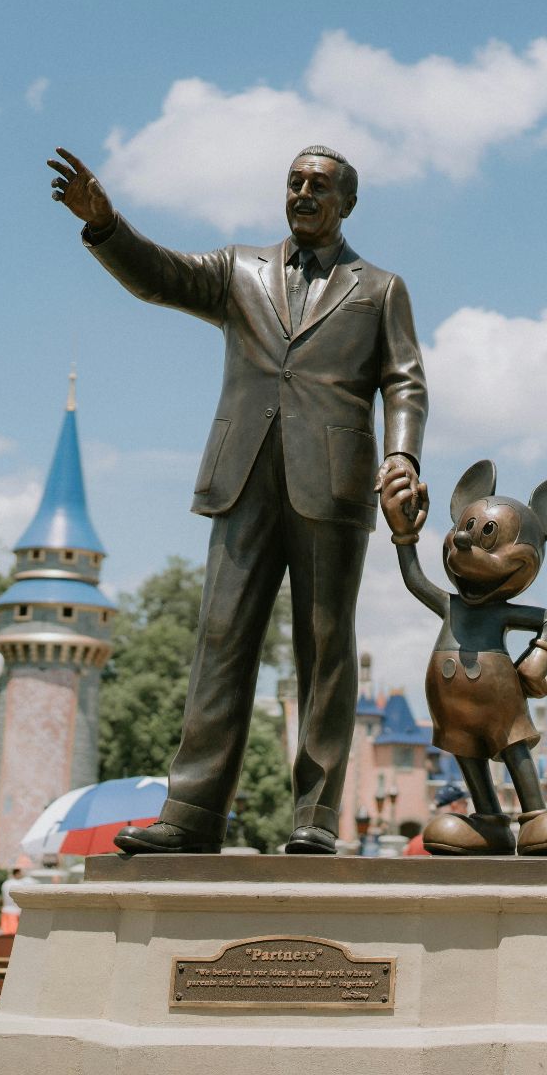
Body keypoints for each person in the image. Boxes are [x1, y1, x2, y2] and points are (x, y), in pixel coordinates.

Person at [51, 142, 429, 858]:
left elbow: (404, 381)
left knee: (324, 651)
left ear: (347, 203)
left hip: (334, 483)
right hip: (241, 476)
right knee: (221, 641)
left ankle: (315, 816)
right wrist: (106, 226)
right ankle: (191, 812)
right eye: (294, 182)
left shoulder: (379, 288)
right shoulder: (238, 269)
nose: (303, 194)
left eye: (319, 185)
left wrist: (402, 454)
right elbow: (161, 276)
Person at [403, 785, 469, 856]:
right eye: (465, 805)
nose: (466, 811)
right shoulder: (459, 844)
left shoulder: (414, 843)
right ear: (455, 806)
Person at [0, 866, 33, 937]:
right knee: (14, 936)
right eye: (21, 873)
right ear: (17, 873)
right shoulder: (20, 884)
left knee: (5, 935)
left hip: (5, 910)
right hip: (16, 912)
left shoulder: (5, 883)